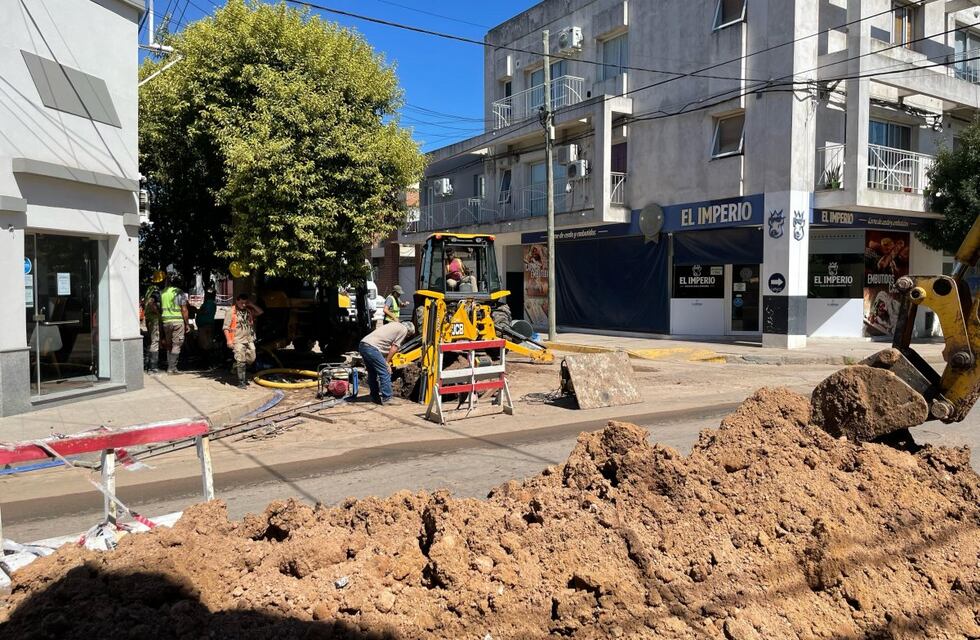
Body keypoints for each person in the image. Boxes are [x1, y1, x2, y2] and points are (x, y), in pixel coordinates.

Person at [358, 321, 415, 404]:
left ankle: (374, 397)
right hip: (372, 348)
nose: (406, 337)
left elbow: (384, 342)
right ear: (409, 331)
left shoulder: (394, 324)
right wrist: (387, 362)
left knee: (372, 373)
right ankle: (387, 398)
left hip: (363, 345)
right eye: (408, 336)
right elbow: (394, 347)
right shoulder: (404, 330)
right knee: (385, 371)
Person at [223, 293, 263, 389]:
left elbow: (260, 312)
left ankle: (235, 365)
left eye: (245, 303)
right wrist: (229, 341)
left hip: (249, 340)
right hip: (237, 340)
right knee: (241, 361)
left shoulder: (248, 310)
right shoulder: (231, 311)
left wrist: (251, 305)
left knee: (251, 358)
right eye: (242, 303)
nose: (243, 305)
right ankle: (241, 382)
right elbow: (225, 328)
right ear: (237, 301)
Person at [160, 272, 190, 374]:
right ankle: (172, 368)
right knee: (177, 344)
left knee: (169, 345)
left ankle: (170, 366)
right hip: (177, 321)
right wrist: (187, 323)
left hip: (166, 321)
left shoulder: (163, 292)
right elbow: (184, 309)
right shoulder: (179, 292)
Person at [143, 270, 165, 373]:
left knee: (152, 341)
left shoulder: (149, 289)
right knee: (155, 341)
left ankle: (147, 364)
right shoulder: (156, 290)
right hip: (154, 319)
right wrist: (159, 312)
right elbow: (152, 304)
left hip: (149, 318)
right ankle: (153, 367)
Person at [196, 288, 218, 367]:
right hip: (208, 324)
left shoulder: (209, 303)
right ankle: (206, 361)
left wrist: (197, 310)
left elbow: (205, 312)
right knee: (207, 342)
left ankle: (205, 362)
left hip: (204, 325)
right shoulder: (212, 304)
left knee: (204, 344)